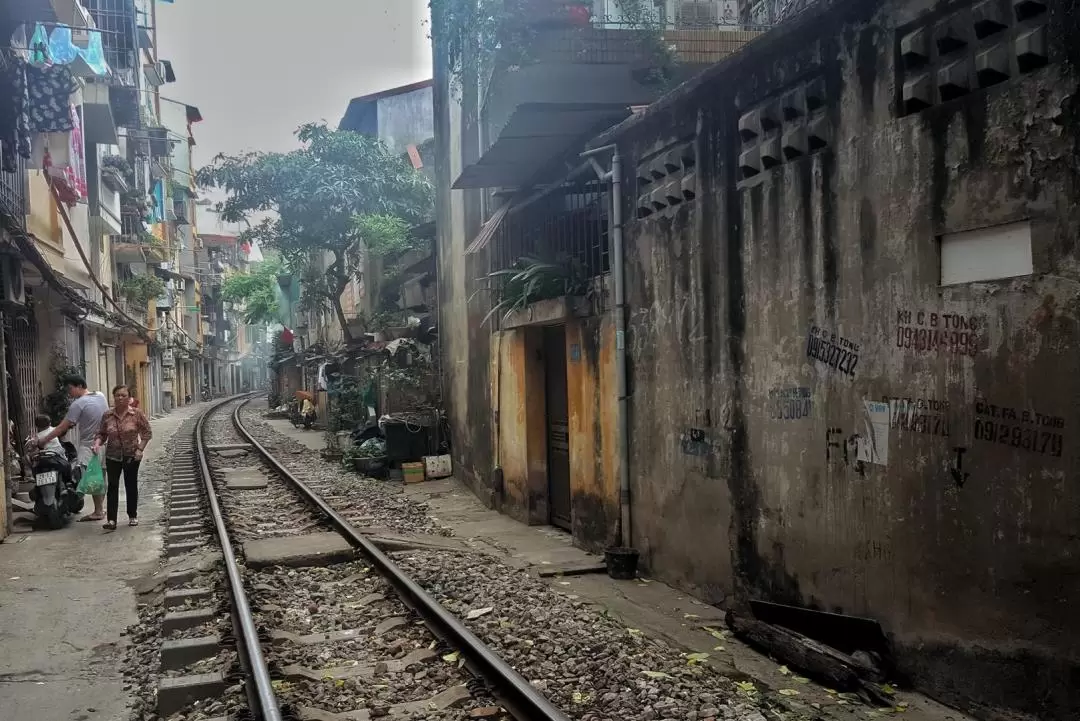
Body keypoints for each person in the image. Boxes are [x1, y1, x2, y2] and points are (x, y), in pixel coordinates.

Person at [33, 376, 108, 521]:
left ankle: (98, 511)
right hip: (104, 442)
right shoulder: (100, 395)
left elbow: (62, 427)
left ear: (79, 386)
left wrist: (43, 441)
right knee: (101, 476)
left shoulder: (78, 403)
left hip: (90, 445)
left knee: (91, 477)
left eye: (70, 389)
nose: (69, 393)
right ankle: (100, 509)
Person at [93, 384, 153, 531]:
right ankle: (112, 520)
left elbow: (147, 433)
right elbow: (102, 433)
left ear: (129, 398)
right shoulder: (107, 415)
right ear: (113, 397)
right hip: (112, 456)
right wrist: (97, 443)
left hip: (131, 455)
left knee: (130, 485)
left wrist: (140, 449)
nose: (120, 398)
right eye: (117, 395)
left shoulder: (137, 414)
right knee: (112, 486)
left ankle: (132, 515)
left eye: (123, 395)